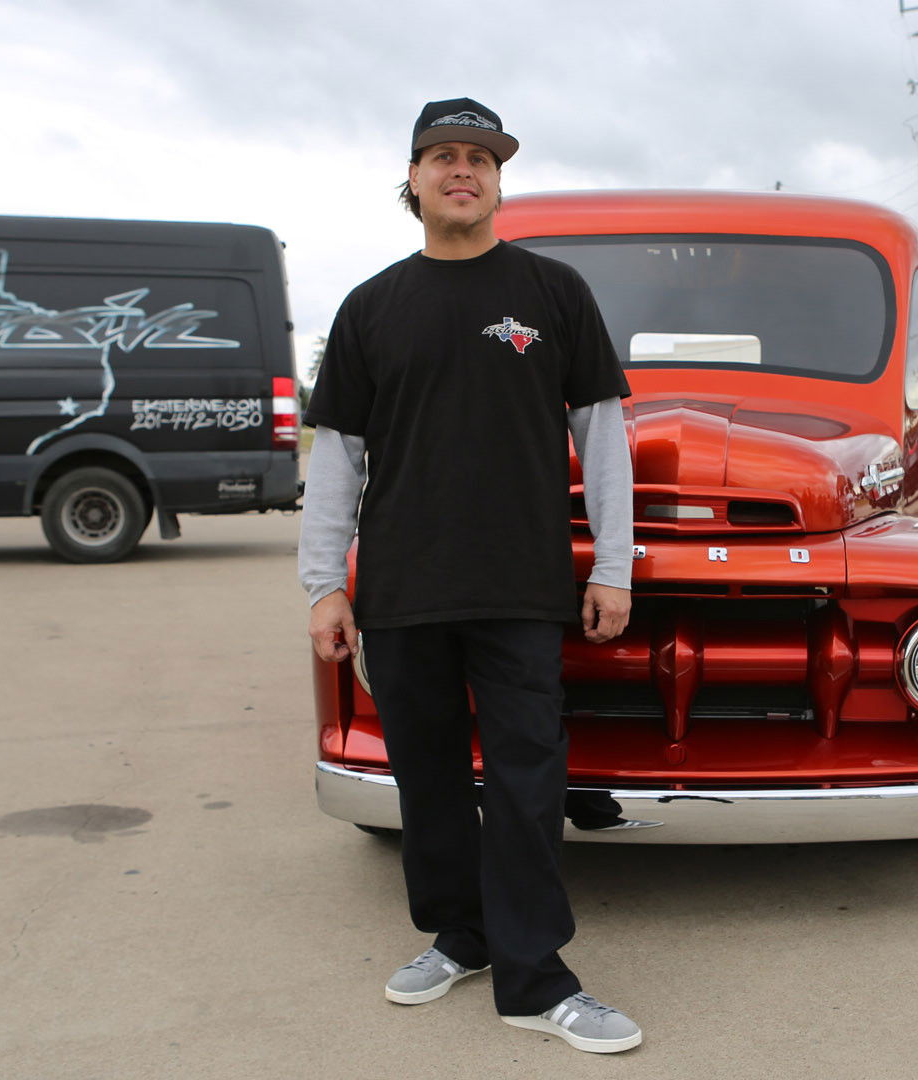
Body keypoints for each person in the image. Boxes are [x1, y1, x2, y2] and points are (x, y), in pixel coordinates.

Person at [298, 98, 642, 1055]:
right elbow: (338, 459)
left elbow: (603, 441)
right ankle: (461, 936)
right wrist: (324, 585)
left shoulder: (552, 292)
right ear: (412, 179)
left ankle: (537, 979)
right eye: (444, 156)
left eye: (481, 159)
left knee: (529, 779)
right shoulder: (370, 307)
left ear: (498, 181)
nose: (464, 171)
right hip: (401, 587)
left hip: (520, 585)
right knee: (428, 776)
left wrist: (613, 566)